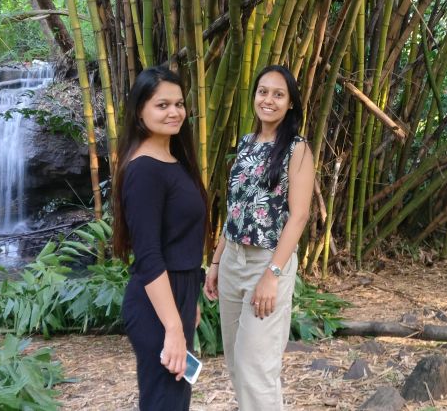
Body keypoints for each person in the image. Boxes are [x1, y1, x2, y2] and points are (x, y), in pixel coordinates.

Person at [204, 64, 315, 410]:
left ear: (291, 103)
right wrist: (216, 262)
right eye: (263, 91)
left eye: (278, 94)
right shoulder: (246, 143)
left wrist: (272, 274)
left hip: (267, 262)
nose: (268, 99)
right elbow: (235, 209)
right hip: (233, 260)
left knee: (256, 367)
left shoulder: (297, 149)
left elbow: (299, 216)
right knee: (237, 364)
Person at [112, 66, 208, 411]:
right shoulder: (144, 170)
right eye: (162, 105)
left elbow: (178, 241)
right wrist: (172, 326)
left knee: (174, 400)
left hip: (177, 293)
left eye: (179, 104)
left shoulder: (172, 160)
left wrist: (189, 301)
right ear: (140, 111)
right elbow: (149, 255)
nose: (174, 112)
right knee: (164, 402)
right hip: (156, 305)